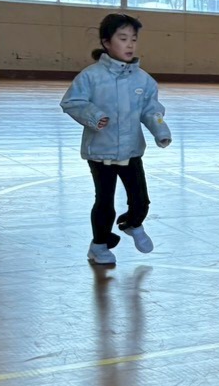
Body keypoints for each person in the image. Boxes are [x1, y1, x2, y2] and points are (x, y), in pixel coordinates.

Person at [61, 13, 172, 266]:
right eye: (123, 38)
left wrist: (161, 131)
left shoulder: (143, 80)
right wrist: (94, 116)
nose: (130, 44)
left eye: (133, 39)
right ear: (106, 42)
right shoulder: (91, 76)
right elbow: (72, 102)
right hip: (100, 152)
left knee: (141, 201)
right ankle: (99, 246)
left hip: (131, 151)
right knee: (105, 202)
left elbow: (151, 110)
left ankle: (131, 224)